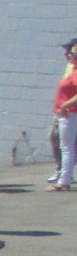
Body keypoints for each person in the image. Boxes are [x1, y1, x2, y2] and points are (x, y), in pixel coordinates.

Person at [50, 40, 77, 190]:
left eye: (72, 53)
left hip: (69, 114)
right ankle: (64, 178)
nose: (68, 55)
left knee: (67, 148)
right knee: (65, 146)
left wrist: (65, 105)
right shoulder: (72, 69)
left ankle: (64, 181)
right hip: (65, 114)